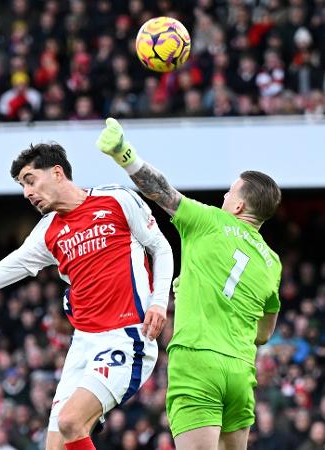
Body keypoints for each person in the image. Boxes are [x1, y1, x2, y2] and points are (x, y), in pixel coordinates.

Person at [0, 143, 173, 450]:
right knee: (54, 446)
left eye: (30, 180)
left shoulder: (116, 199)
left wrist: (158, 301)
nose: (27, 192)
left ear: (56, 173)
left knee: (70, 422)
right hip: (84, 344)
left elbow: (161, 247)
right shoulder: (46, 232)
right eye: (23, 185)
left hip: (127, 336)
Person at [96, 118, 282, 450]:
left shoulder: (211, 221)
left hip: (197, 361)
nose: (224, 197)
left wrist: (124, 154)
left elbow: (161, 191)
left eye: (229, 193)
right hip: (240, 371)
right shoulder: (272, 262)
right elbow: (265, 334)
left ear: (238, 206)